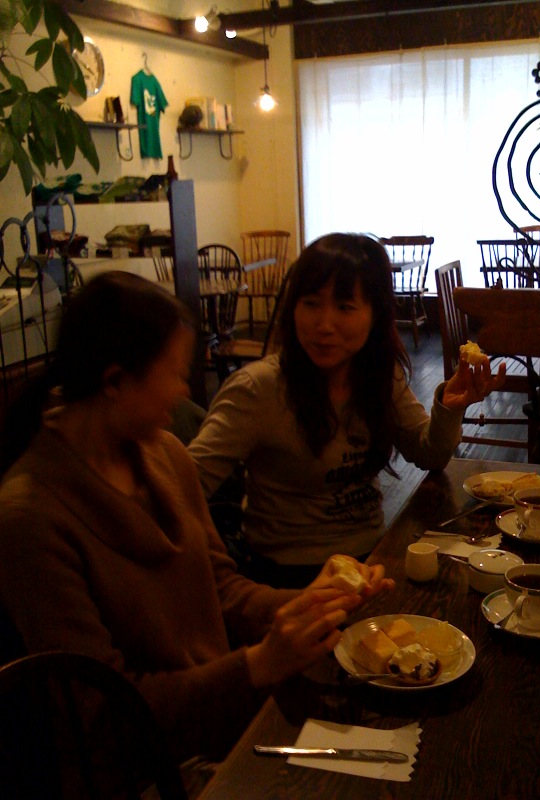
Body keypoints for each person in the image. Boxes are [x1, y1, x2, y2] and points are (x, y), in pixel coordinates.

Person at [0, 271, 394, 772]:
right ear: (115, 381)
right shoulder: (31, 517)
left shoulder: (165, 454)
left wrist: (307, 603)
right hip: (151, 770)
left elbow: (220, 588)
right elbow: (103, 715)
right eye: (174, 373)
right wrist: (258, 664)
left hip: (226, 724)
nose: (184, 391)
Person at [189, 233, 506, 588]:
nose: (324, 325)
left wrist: (448, 407)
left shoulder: (378, 376)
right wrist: (222, 581)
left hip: (371, 562)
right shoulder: (257, 389)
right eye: (311, 303)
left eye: (344, 307)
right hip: (289, 578)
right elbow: (184, 487)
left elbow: (429, 454)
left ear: (376, 314)